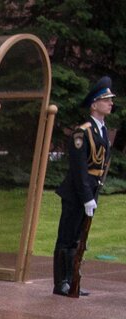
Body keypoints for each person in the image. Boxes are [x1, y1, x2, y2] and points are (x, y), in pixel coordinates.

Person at [53, 76, 114, 297]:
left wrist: (93, 195)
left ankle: (72, 280)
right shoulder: (83, 131)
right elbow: (79, 169)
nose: (110, 103)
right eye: (106, 100)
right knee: (67, 237)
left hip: (91, 190)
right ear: (94, 104)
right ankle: (62, 283)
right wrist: (87, 197)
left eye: (110, 100)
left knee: (79, 239)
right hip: (76, 193)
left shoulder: (103, 131)